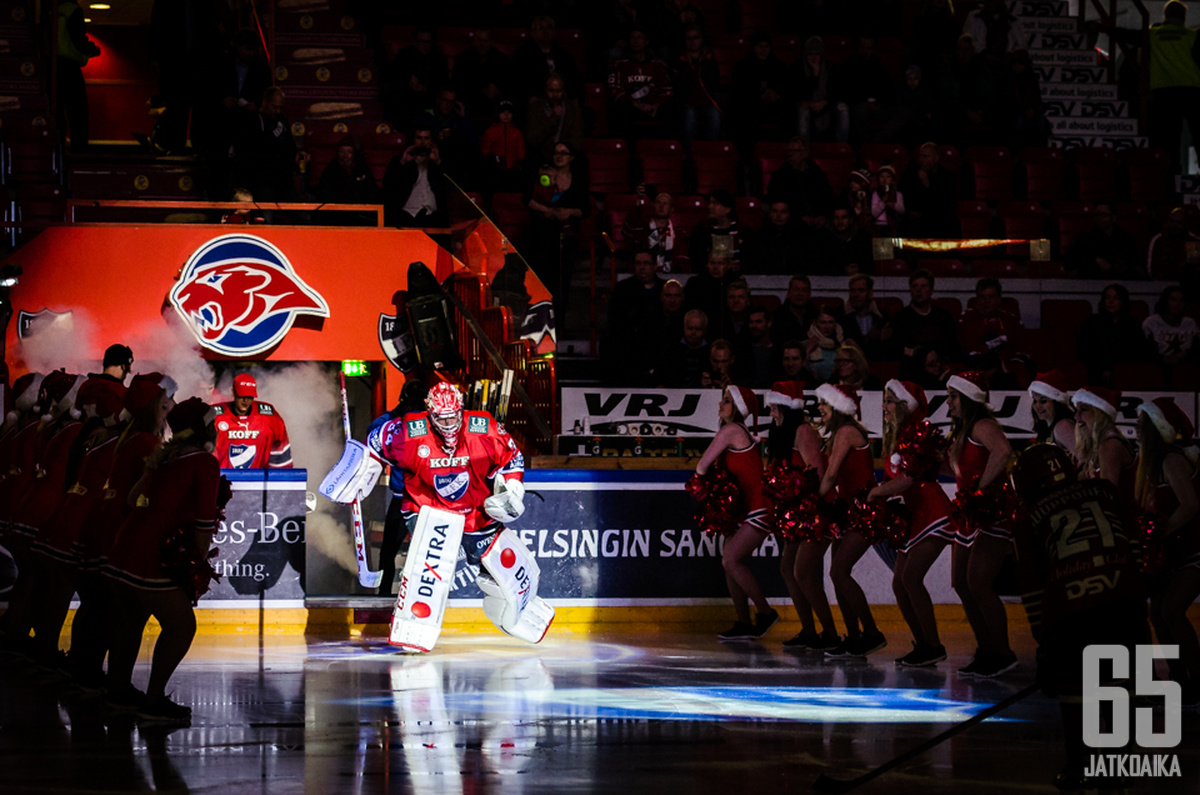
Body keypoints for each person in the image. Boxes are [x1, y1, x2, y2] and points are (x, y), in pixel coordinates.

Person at [349, 382, 545, 648]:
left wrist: (513, 488)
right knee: (434, 560)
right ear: (430, 413)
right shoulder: (408, 431)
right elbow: (374, 442)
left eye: (454, 415)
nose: (449, 423)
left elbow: (512, 457)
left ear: (461, 410)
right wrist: (358, 471)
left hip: (475, 511)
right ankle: (413, 625)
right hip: (426, 509)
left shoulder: (483, 427)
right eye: (442, 418)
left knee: (500, 567)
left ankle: (523, 604)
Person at [1008, 443, 1148, 788]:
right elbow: (1134, 547)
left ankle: (1078, 765)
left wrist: (1045, 642)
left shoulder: (1026, 518)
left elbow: (1033, 585)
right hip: (1124, 602)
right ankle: (1120, 763)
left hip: (1071, 609)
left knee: (1074, 689)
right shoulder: (1104, 491)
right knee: (1123, 687)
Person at [103, 397, 224, 723]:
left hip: (124, 551)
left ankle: (118, 692)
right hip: (153, 557)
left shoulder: (162, 457)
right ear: (203, 427)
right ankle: (153, 700)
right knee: (182, 627)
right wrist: (195, 565)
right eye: (212, 421)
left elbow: (131, 500)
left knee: (130, 622)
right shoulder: (205, 462)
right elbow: (203, 525)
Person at [868, 380, 955, 666]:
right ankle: (925, 644)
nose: (885, 406)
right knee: (900, 582)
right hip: (916, 517)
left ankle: (933, 645)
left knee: (910, 578)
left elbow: (909, 479)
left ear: (906, 405)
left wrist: (876, 493)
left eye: (890, 400)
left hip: (934, 513)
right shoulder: (896, 436)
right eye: (884, 400)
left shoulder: (917, 433)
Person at [945, 371, 1017, 677]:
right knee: (960, 583)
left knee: (978, 583)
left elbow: (1003, 452)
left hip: (992, 513)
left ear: (968, 398)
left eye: (953, 396)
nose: (948, 403)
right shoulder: (962, 431)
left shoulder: (982, 425)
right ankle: (986, 648)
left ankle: (1002, 652)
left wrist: (979, 490)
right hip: (969, 515)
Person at [694, 385, 777, 642]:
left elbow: (702, 465)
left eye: (727, 401)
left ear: (739, 408)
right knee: (728, 563)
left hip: (758, 509)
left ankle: (765, 612)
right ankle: (743, 621)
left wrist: (705, 488)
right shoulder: (737, 431)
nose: (721, 405)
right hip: (746, 510)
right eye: (722, 400)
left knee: (731, 561)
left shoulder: (731, 430)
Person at [1134, 397, 1200, 707]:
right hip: (1174, 553)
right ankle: (1180, 679)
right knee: (1158, 613)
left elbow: (1190, 506)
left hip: (1194, 550)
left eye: (1141, 422)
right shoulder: (1153, 463)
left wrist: (1158, 533)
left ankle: (1196, 681)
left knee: (1171, 610)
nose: (1136, 428)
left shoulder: (1170, 459)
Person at [764, 381, 840, 651]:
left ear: (786, 407)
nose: (771, 414)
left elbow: (818, 474)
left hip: (816, 508)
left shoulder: (803, 430)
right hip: (799, 511)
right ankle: (809, 631)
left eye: (774, 407)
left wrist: (809, 508)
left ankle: (830, 634)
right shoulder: (782, 432)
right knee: (788, 568)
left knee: (803, 572)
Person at [814, 383, 885, 657]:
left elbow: (830, 476)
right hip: (848, 511)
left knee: (838, 572)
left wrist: (811, 502)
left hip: (863, 510)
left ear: (839, 407)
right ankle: (855, 636)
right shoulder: (841, 432)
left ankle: (871, 633)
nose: (820, 408)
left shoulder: (846, 432)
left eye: (825, 403)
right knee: (837, 574)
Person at [367, 380, 428, 596]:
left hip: (422, 499)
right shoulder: (395, 421)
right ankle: (387, 595)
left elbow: (372, 431)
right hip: (408, 498)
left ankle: (396, 595)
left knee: (405, 552)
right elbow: (374, 433)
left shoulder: (427, 421)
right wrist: (396, 415)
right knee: (394, 551)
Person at [1147, 1, 1200, 172]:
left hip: (1164, 91)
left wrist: (1106, 29)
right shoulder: (1191, 36)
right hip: (1191, 90)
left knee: (1169, 138)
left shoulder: (1153, 34)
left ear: (1165, 16)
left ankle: (1172, 175)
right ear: (1183, 18)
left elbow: (1129, 35)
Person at [212, 374, 292, 470]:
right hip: (220, 480)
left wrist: (279, 480)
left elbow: (281, 460)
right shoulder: (215, 416)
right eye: (242, 395)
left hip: (257, 482)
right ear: (233, 392)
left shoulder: (269, 418)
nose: (245, 400)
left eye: (249, 396)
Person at [1076, 283, 1148, 388]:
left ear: (1122, 301)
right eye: (1107, 297)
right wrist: (1104, 368)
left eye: (1116, 298)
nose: (1111, 302)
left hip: (1126, 373)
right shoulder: (1092, 322)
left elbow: (1137, 351)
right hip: (1095, 373)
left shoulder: (1132, 324)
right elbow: (1086, 350)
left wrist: (1117, 370)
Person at [883, 268, 962, 363]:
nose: (918, 290)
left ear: (931, 290)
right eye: (914, 286)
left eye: (923, 286)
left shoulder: (943, 317)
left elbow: (953, 348)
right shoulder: (901, 318)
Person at [1073, 386, 1136, 503]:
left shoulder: (1109, 445)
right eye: (1076, 410)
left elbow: (1106, 499)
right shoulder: (1098, 444)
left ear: (1100, 413)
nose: (1076, 416)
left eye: (1084, 409)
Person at [383, 124, 450, 228]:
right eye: (419, 138)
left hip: (433, 217)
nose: (422, 142)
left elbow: (448, 188)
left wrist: (438, 162)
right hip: (406, 216)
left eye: (426, 138)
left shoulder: (438, 162)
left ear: (431, 140)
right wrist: (402, 163)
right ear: (413, 140)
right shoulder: (400, 161)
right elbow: (389, 189)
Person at [56, 0, 101, 150]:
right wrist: (93, 49)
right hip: (70, 66)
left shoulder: (51, 10)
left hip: (52, 66)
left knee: (57, 115)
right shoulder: (72, 10)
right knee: (78, 114)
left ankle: (58, 150)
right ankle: (79, 155)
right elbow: (78, 39)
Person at [525, 73, 586, 163]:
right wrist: (551, 120)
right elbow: (531, 139)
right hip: (541, 157)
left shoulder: (572, 109)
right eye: (551, 91)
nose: (555, 95)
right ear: (545, 90)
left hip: (566, 157)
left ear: (564, 91)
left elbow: (578, 138)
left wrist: (563, 150)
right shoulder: (535, 109)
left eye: (558, 91)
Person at [1143, 284, 1199, 372]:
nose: (1178, 304)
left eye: (1181, 300)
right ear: (1165, 301)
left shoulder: (1190, 323)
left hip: (1186, 367)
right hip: (1159, 368)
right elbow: (1146, 351)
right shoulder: (1152, 323)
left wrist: (1183, 355)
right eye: (1174, 300)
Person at [317, 135, 382, 207]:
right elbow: (323, 195)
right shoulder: (329, 171)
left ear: (354, 154)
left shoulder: (363, 170)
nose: (345, 155)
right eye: (342, 151)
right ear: (337, 153)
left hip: (360, 212)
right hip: (336, 212)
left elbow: (372, 193)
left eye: (349, 152)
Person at [480, 100, 526, 193]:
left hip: (512, 171)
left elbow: (521, 153)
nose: (506, 115)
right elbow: (485, 151)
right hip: (494, 171)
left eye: (509, 112)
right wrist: (494, 159)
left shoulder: (517, 133)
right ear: (497, 114)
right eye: (503, 112)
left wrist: (518, 164)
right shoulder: (490, 131)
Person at [1028, 370, 1076, 454]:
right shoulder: (1049, 427)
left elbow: (1087, 460)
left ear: (1057, 402)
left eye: (1043, 401)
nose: (1037, 406)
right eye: (1035, 401)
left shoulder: (1063, 427)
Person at [842, 274, 887, 360]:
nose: (855, 295)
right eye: (852, 290)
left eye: (861, 290)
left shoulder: (882, 316)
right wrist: (868, 338)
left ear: (870, 293)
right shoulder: (840, 315)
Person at [805, 308, 845, 383]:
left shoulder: (843, 345)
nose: (827, 326)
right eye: (823, 322)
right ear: (815, 323)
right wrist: (808, 350)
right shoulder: (805, 345)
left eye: (830, 322)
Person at [869, 164, 905, 236]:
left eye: (888, 176)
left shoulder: (898, 194)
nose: (884, 179)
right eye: (882, 176)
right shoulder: (875, 194)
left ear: (892, 179)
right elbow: (874, 213)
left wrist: (893, 205)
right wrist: (883, 202)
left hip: (895, 226)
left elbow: (902, 211)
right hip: (879, 227)